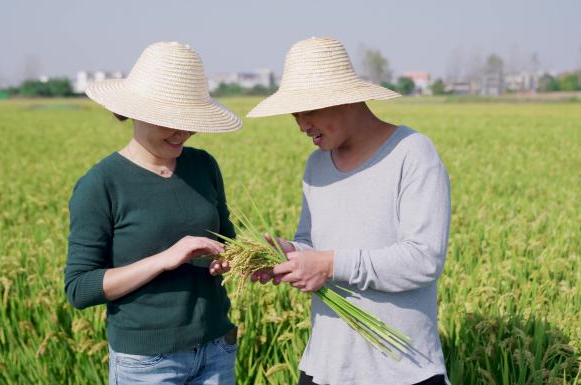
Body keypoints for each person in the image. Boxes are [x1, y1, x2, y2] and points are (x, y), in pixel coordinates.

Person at [248, 37, 451, 385]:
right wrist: (293, 254)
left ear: (345, 98)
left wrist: (328, 264)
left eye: (308, 110)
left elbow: (423, 260)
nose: (301, 125)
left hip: (401, 372)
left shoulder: (412, 153)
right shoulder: (316, 165)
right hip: (323, 368)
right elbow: (314, 243)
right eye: (295, 113)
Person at [64, 42, 241, 385]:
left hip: (217, 350)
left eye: (188, 121)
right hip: (148, 364)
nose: (182, 132)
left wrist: (233, 257)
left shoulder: (203, 165)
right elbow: (79, 288)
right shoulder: (101, 184)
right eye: (170, 121)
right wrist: (165, 258)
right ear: (136, 111)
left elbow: (225, 236)